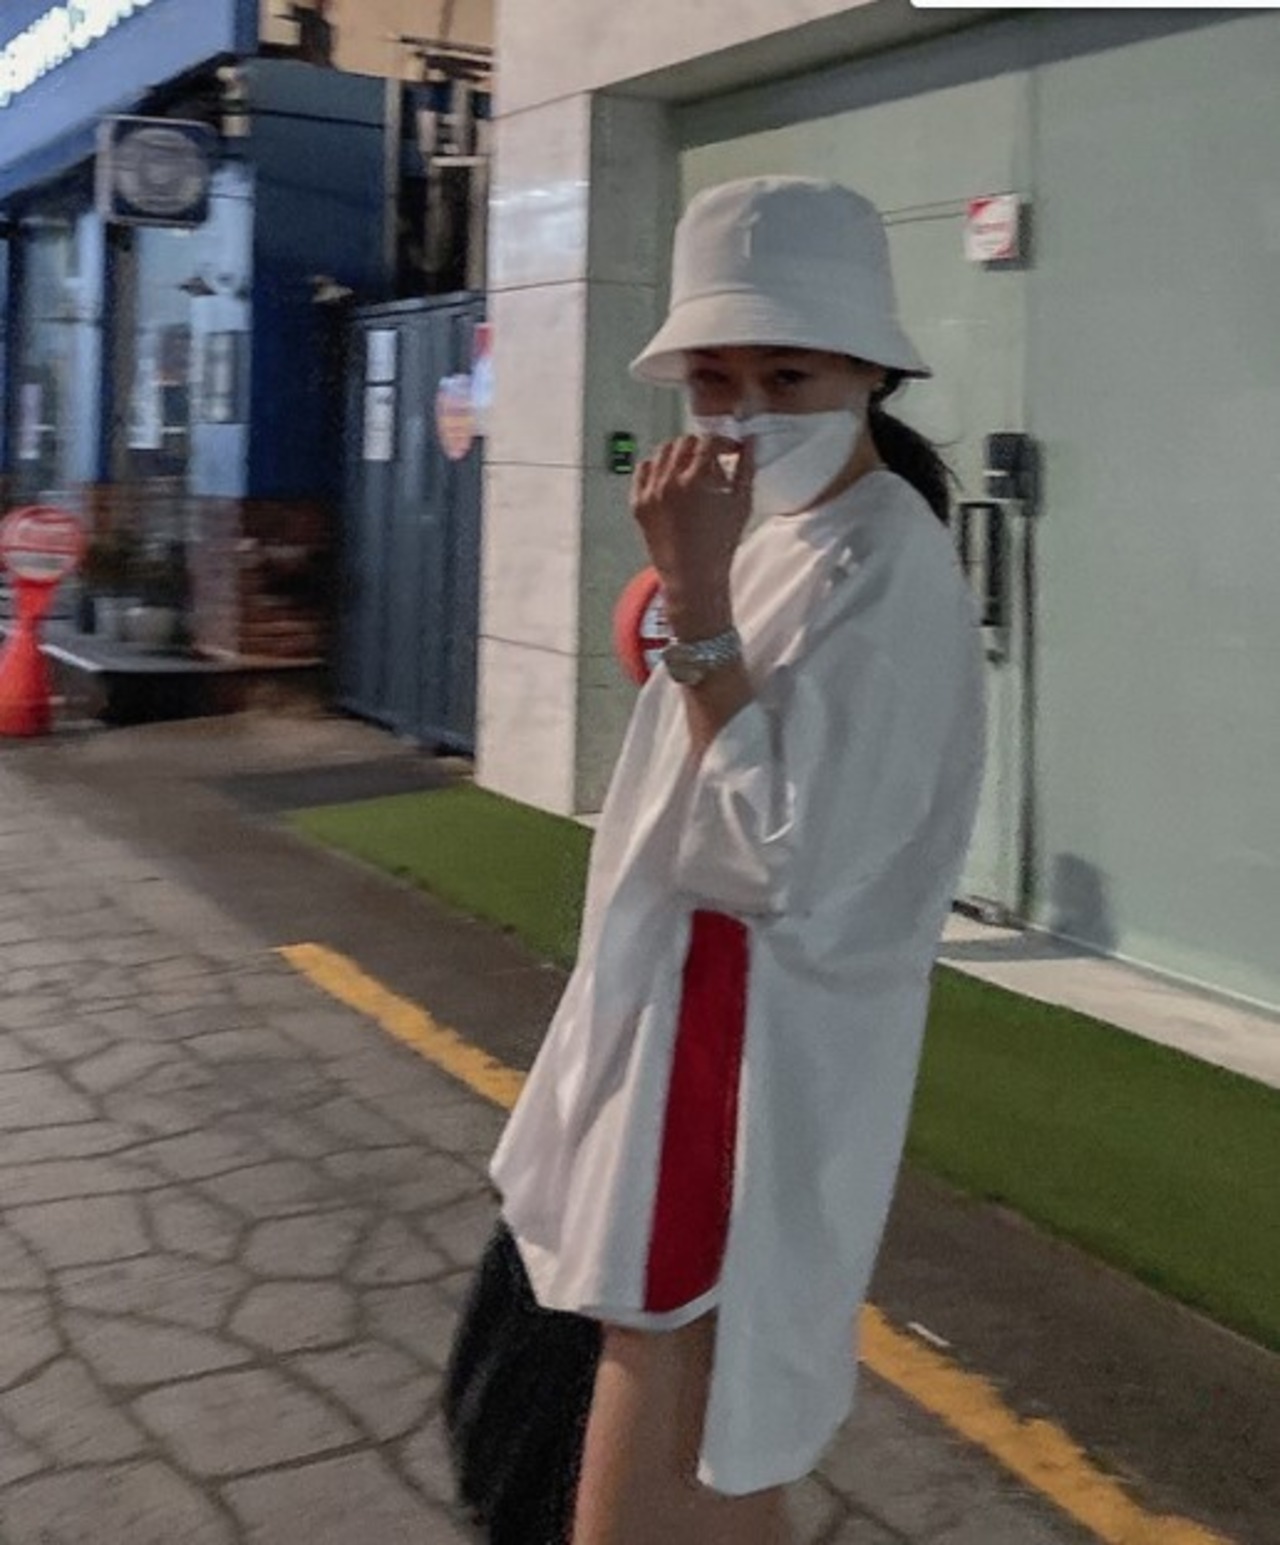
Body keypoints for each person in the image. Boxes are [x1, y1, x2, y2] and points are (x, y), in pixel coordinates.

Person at [487, 176, 988, 1545]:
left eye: (788, 374)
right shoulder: (781, 532)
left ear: (870, 373)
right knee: (707, 1415)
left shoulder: (883, 563)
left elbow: (779, 859)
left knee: (681, 1367)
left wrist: (697, 602)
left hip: (740, 1039)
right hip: (692, 1023)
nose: (746, 409)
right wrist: (705, 591)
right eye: (715, 378)